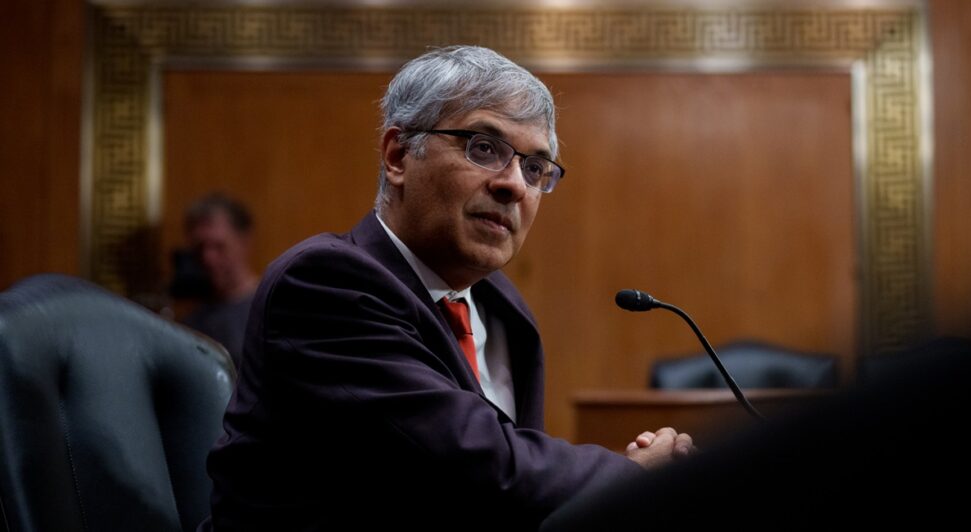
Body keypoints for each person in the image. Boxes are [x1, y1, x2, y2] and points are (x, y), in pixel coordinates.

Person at [202, 46, 694, 531]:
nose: (514, 186)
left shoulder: (501, 306)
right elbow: (476, 463)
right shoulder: (323, 284)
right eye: (484, 148)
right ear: (398, 156)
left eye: (534, 167)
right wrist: (631, 477)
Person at [179, 193, 259, 367]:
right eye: (200, 248)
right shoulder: (192, 322)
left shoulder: (268, 308)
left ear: (243, 241)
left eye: (219, 246)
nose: (208, 258)